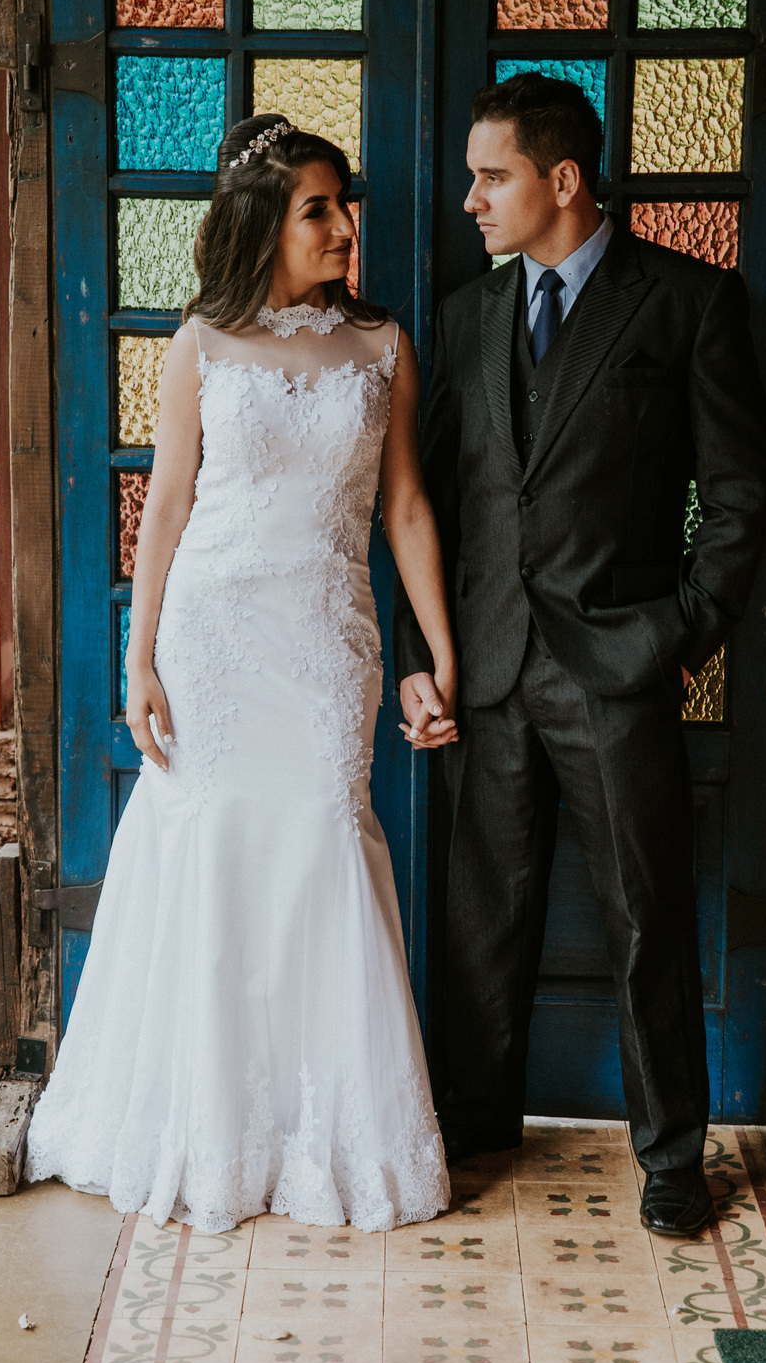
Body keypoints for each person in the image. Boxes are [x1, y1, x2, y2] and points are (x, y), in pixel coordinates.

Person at [27, 114, 453, 1235]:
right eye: (319, 209)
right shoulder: (200, 345)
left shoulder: (383, 348)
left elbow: (404, 504)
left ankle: (328, 1139)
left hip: (324, 639)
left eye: (343, 206)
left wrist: (437, 651)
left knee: (323, 835)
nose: (344, 227)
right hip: (212, 636)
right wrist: (139, 657)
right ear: (265, 221)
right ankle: (212, 1133)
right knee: (212, 852)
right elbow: (164, 504)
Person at [395, 72, 766, 1236]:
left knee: (647, 919)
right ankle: (473, 1127)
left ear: (564, 181)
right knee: (481, 921)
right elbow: (430, 508)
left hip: (619, 671)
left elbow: (741, 493)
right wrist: (429, 650)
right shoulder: (467, 321)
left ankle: (671, 1157)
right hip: (491, 672)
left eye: (491, 176)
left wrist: (683, 631)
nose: (470, 199)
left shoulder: (685, 304)